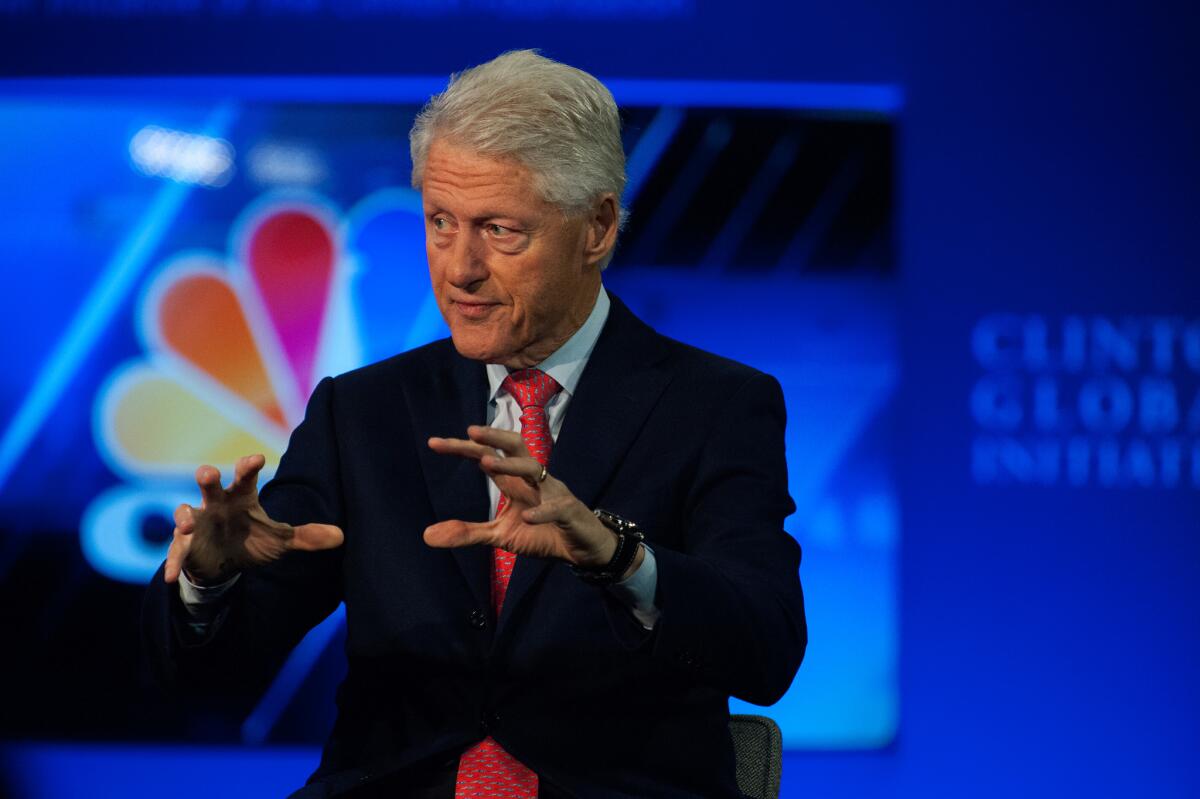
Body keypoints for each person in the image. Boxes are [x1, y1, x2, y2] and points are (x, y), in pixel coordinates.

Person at [143, 49, 806, 798]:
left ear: (597, 227)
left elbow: (767, 650)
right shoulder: (361, 411)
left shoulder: (715, 404)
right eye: (440, 222)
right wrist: (209, 578)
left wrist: (620, 558)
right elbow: (203, 677)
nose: (459, 268)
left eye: (499, 230)